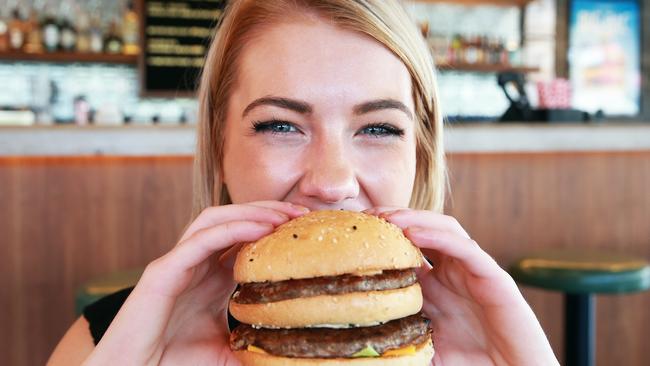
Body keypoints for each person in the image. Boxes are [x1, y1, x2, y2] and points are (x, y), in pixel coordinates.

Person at [49, 0, 559, 365]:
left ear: (420, 155)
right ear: (219, 148)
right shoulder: (108, 342)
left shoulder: (487, 342)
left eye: (379, 128)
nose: (332, 182)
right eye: (280, 125)